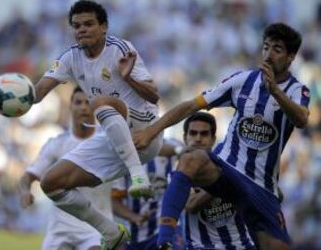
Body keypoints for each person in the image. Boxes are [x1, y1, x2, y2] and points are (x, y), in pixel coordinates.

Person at [133, 23, 310, 250]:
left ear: (291, 57)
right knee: (190, 159)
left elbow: (302, 120)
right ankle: (165, 240)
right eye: (265, 47)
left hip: (262, 187)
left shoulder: (297, 90)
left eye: (277, 49)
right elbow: (190, 106)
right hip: (229, 170)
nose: (268, 54)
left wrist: (274, 90)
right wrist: (151, 130)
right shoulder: (242, 81)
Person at [31, 0, 163, 250]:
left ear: (103, 27)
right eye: (77, 26)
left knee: (101, 102)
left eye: (88, 24)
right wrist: (20, 94)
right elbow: (38, 93)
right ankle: (111, 231)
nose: (81, 29)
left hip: (145, 129)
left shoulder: (120, 48)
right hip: (113, 136)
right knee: (51, 182)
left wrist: (127, 78)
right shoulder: (70, 57)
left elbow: (154, 96)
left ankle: (138, 175)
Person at [19, 87, 113, 250]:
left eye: (88, 102)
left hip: (94, 228)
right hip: (60, 229)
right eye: (78, 102)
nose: (83, 107)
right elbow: (28, 176)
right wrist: (25, 191)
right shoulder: (57, 143)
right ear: (70, 107)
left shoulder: (107, 141)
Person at [181, 112, 256, 250]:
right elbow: (191, 205)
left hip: (242, 246)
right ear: (185, 138)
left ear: (213, 139)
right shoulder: (178, 174)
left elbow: (275, 195)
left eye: (204, 134)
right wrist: (226, 179)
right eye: (193, 133)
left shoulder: (232, 164)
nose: (198, 139)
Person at [111, 139, 184, 250]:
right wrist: (135, 217)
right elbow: (114, 202)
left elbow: (158, 147)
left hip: (167, 226)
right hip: (136, 234)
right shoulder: (123, 156)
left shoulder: (175, 145)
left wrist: (178, 150)